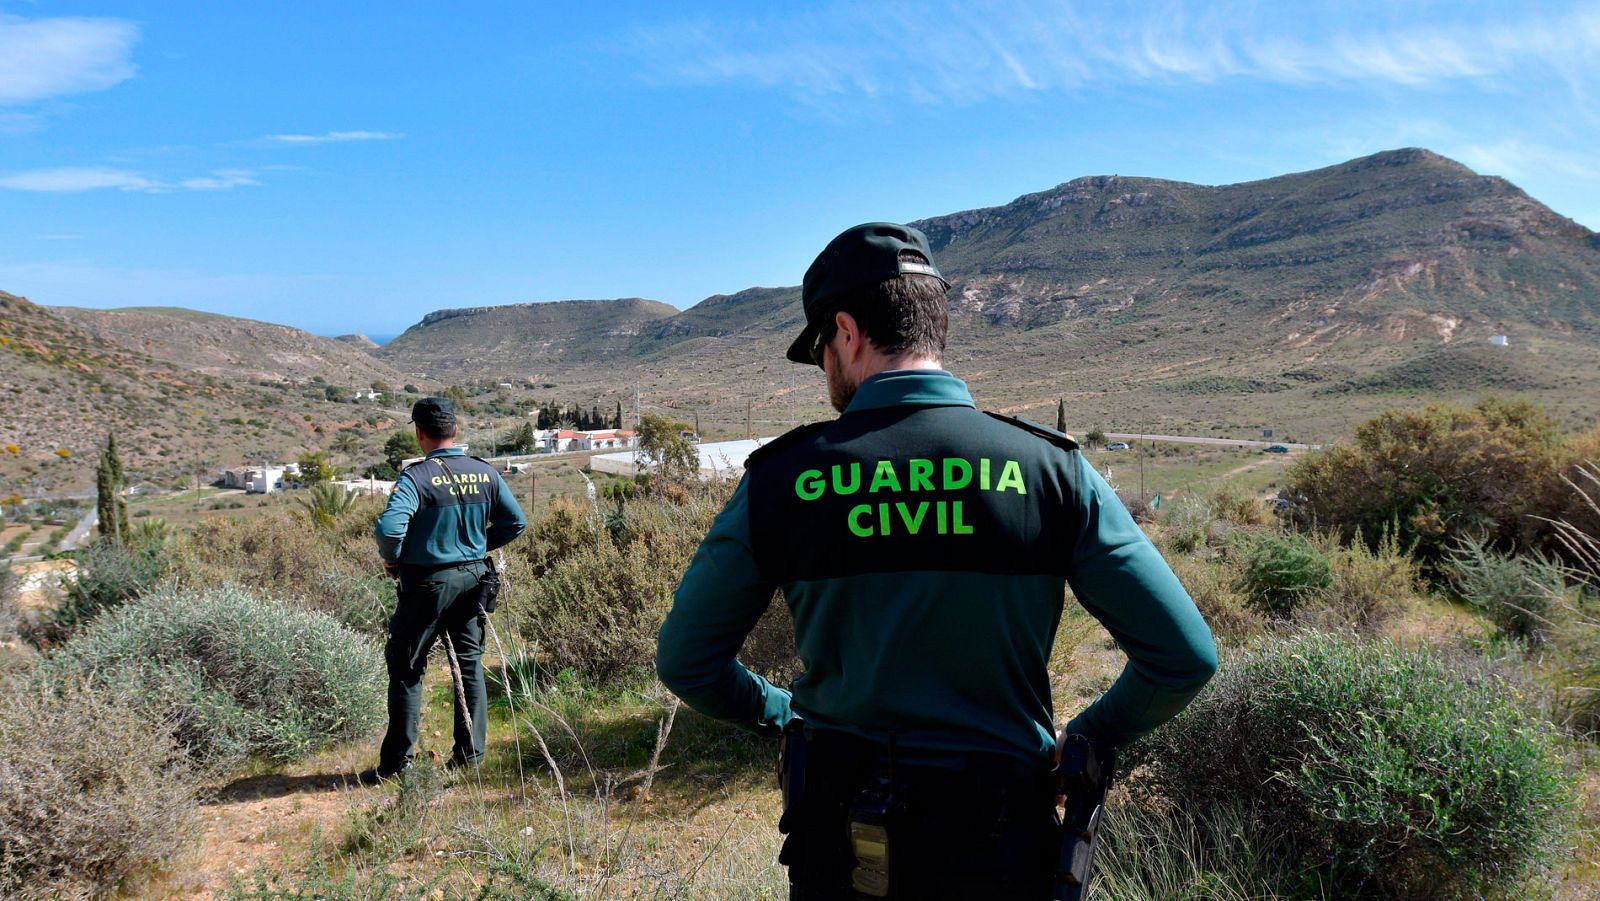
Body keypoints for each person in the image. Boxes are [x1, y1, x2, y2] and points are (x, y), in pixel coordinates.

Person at [656, 223, 1217, 898]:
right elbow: (1184, 656)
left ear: (847, 332)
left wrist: (783, 713)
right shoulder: (1050, 471)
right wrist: (1086, 736)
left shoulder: (782, 481)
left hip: (842, 852)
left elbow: (687, 659)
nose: (826, 372)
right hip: (1003, 851)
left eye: (821, 351)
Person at [361, 396, 527, 784]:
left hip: (427, 585)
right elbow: (515, 523)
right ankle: (470, 758)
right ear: (455, 431)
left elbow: (388, 531)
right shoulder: (484, 473)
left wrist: (394, 560)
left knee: (407, 667)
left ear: (420, 434)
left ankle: (396, 765)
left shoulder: (416, 478)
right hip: (474, 580)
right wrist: (476, 548)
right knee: (468, 665)